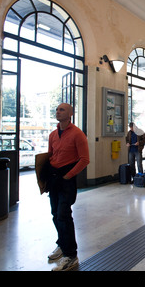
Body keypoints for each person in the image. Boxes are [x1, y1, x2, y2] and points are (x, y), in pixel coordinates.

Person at [47, 103, 90, 271]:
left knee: (63, 214)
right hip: (53, 178)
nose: (57, 111)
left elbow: (84, 159)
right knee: (54, 214)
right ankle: (62, 244)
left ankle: (71, 255)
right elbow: (50, 156)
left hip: (66, 179)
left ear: (71, 114)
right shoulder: (52, 135)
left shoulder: (78, 134)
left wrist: (68, 176)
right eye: (56, 109)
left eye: (62, 109)